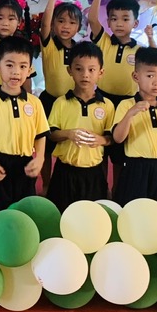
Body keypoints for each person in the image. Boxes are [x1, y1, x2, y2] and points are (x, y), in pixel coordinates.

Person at [0, 35, 48, 211]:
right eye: (9, 65)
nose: (16, 72)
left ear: (30, 70)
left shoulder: (34, 103)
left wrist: (40, 158)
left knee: (23, 215)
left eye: (22, 66)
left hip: (24, 166)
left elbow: (40, 135)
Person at [111, 47, 157, 205]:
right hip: (136, 168)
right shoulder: (127, 105)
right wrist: (130, 114)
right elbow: (118, 138)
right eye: (150, 75)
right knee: (134, 210)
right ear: (136, 76)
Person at [43, 42, 114, 206]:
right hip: (64, 172)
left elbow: (111, 138)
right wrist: (69, 133)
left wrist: (101, 140)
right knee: (61, 213)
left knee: (92, 215)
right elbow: (51, 134)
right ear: (70, 70)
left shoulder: (107, 105)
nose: (85, 75)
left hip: (94, 173)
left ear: (101, 72)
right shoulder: (61, 103)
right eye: (79, 69)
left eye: (91, 70)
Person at [87, 0, 140, 105]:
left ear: (135, 23)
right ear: (108, 23)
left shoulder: (140, 51)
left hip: (128, 102)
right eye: (114, 19)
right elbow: (92, 20)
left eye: (125, 19)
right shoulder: (103, 41)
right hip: (101, 98)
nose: (119, 24)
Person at [39, 0, 83, 102]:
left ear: (79, 28)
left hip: (73, 102)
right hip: (50, 101)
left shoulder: (79, 51)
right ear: (53, 24)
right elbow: (44, 25)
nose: (66, 26)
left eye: (72, 23)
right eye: (61, 21)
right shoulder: (49, 45)